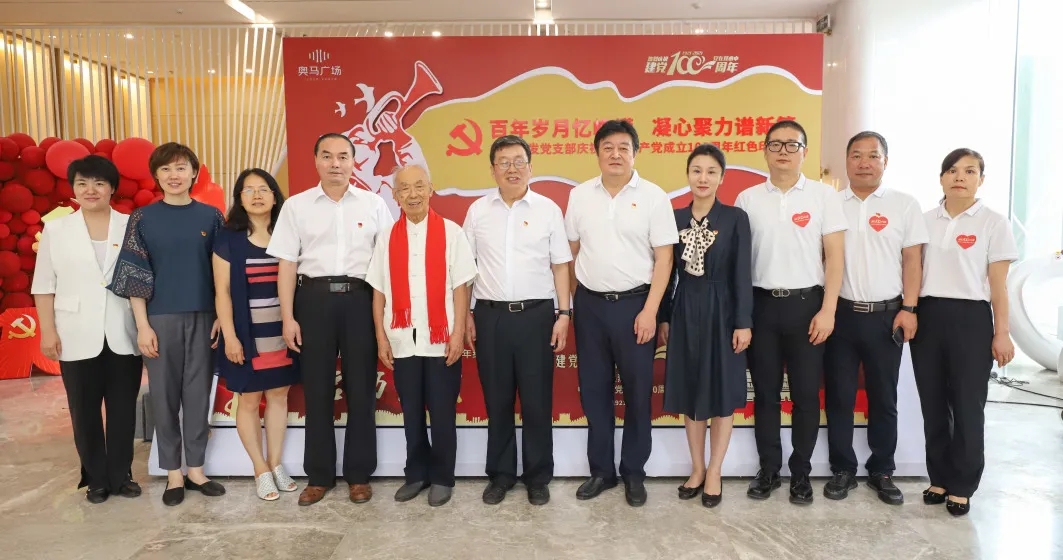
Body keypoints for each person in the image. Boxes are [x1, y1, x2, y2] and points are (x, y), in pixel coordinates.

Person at [266, 133, 394, 506]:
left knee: (361, 389)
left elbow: (387, 264)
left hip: (360, 300)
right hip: (313, 301)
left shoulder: (374, 204)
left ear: (354, 161)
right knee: (317, 390)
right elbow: (287, 265)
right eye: (327, 156)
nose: (335, 163)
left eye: (342, 156)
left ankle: (359, 475)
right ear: (316, 161)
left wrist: (383, 319)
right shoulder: (296, 206)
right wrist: (287, 317)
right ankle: (319, 475)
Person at [565, 119, 679, 507]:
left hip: (636, 307)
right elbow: (570, 253)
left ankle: (633, 472)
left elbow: (665, 260)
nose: (616, 154)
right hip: (591, 308)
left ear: (635, 153)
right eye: (608, 148)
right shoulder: (580, 196)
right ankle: (601, 471)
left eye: (623, 148)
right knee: (594, 392)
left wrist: (650, 311)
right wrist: (573, 304)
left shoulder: (653, 196)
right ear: (597, 153)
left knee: (637, 393)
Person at [734, 120, 847, 505]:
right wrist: (742, 316)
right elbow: (740, 263)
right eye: (776, 144)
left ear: (804, 152)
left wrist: (828, 310)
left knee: (805, 396)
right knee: (765, 394)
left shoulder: (823, 196)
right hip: (761, 307)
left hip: (807, 307)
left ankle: (801, 472)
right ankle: (768, 469)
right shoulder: (748, 199)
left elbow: (835, 258)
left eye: (792, 144)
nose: (783, 151)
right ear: (764, 150)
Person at [109, 142, 226, 506]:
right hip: (159, 319)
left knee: (197, 395)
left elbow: (222, 273)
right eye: (166, 169)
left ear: (194, 173)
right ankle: (173, 472)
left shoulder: (212, 217)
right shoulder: (142, 218)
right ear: (156, 176)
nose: (174, 175)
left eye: (180, 168)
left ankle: (196, 470)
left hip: (205, 317)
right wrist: (143, 326)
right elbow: (134, 275)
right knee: (164, 396)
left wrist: (222, 315)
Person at [462, 135, 573, 506]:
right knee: (497, 400)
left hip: (536, 317)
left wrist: (564, 314)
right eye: (504, 162)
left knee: (537, 400)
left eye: (519, 161)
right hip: (490, 316)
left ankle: (537, 476)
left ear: (530, 166)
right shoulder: (478, 211)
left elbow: (561, 265)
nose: (512, 169)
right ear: (492, 169)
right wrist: (466, 316)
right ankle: (501, 475)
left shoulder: (547, 210)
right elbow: (465, 268)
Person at [823, 131, 928, 505]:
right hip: (841, 316)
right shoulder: (831, 204)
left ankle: (882, 469)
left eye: (873, 155)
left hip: (887, 316)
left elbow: (913, 261)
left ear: (885, 161)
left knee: (883, 397)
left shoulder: (904, 204)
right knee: (839, 396)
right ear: (846, 160)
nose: (864, 162)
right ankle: (842, 469)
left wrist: (909, 309)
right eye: (856, 155)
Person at [910, 148, 1017, 517]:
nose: (960, 177)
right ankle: (939, 478)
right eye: (953, 170)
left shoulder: (993, 223)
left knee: (968, 405)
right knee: (933, 403)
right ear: (941, 177)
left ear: (981, 180)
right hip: (928, 316)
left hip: (972, 318)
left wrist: (1002, 333)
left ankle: (963, 484)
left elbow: (999, 286)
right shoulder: (924, 221)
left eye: (970, 171)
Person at [31, 155, 143, 504]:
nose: (90, 190)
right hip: (75, 331)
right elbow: (44, 285)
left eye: (98, 183)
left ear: (112, 188)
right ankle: (95, 478)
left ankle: (121, 475)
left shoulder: (131, 225)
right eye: (82, 183)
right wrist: (47, 331)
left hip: (123, 329)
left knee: (123, 408)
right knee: (83, 409)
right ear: (73, 189)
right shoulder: (57, 230)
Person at [367, 164, 477, 507]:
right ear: (395, 195)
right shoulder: (386, 237)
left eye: (419, 186)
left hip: (440, 339)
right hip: (402, 339)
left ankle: (443, 477)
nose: (412, 194)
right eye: (404, 188)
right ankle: (416, 474)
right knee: (411, 411)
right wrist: (381, 337)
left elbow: (461, 288)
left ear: (431, 189)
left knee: (442, 412)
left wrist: (457, 333)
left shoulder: (451, 232)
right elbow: (378, 291)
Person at [658, 143, 752, 508]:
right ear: (687, 175)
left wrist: (743, 322)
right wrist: (665, 316)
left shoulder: (735, 218)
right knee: (691, 390)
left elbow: (742, 274)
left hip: (723, 311)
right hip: (684, 309)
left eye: (711, 171)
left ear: (721, 178)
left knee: (722, 393)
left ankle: (715, 471)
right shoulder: (674, 218)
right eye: (696, 170)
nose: (703, 178)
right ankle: (696, 469)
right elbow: (665, 274)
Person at [213, 169, 300, 501]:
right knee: (249, 400)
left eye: (263, 189)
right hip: (246, 335)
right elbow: (222, 293)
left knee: (279, 395)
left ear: (275, 196)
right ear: (239, 198)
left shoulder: (288, 234)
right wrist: (231, 336)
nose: (257, 195)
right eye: (248, 190)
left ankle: (276, 463)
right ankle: (260, 469)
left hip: (282, 332)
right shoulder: (228, 239)